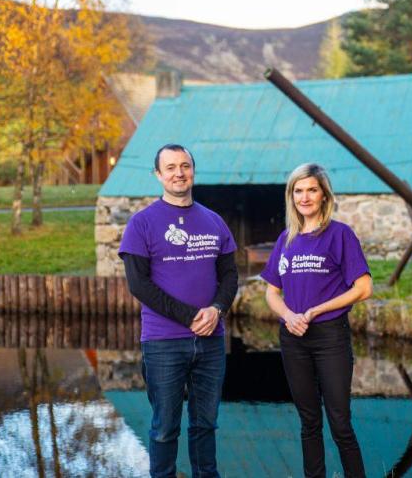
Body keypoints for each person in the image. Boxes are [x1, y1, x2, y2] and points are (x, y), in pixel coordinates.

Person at [119, 143, 238, 478]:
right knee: (164, 428)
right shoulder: (141, 224)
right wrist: (190, 317)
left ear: (193, 171)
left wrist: (216, 309)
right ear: (158, 175)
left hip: (212, 341)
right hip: (163, 343)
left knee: (205, 425)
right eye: (170, 167)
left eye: (184, 166)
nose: (178, 173)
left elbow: (230, 275)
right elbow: (139, 286)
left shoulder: (214, 222)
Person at [260, 163, 372, 478]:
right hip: (293, 339)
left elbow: (363, 289)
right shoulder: (286, 239)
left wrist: (315, 311)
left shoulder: (340, 234)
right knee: (309, 422)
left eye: (312, 189)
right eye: (298, 190)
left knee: (340, 423)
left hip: (330, 338)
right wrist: (289, 315)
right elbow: (271, 293)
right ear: (291, 196)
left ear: (324, 195)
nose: (305, 197)